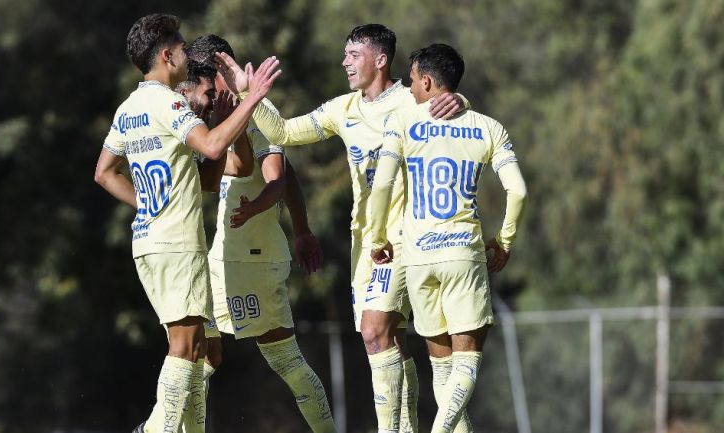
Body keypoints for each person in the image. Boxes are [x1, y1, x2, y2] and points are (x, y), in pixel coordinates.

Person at [215, 24, 468, 433]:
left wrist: (458, 99)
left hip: (406, 238)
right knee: (392, 344)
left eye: (354, 54)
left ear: (381, 60)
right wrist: (249, 93)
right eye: (345, 54)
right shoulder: (342, 110)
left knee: (373, 332)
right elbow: (282, 133)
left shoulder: (411, 100)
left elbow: (451, 103)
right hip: (365, 242)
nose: (345, 62)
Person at [93, 13, 281, 433]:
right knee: (187, 347)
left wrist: (146, 206)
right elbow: (213, 147)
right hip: (178, 244)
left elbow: (104, 172)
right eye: (180, 48)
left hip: (147, 243)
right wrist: (253, 99)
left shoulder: (128, 108)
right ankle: (155, 429)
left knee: (197, 351)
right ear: (167, 55)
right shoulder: (169, 101)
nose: (184, 54)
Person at [177, 34, 335, 433]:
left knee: (285, 360)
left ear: (221, 68)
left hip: (254, 257)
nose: (209, 96)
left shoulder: (257, 109)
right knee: (202, 357)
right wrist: (302, 230)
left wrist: (267, 213)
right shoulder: (203, 117)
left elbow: (279, 177)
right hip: (220, 256)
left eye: (211, 83)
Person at [368, 43, 528, 433]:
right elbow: (519, 191)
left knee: (443, 371)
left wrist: (377, 238)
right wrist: (504, 240)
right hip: (462, 255)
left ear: (426, 81)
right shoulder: (489, 127)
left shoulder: (402, 122)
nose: (409, 89)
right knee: (466, 363)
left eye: (412, 82)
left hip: (418, 258)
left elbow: (383, 184)